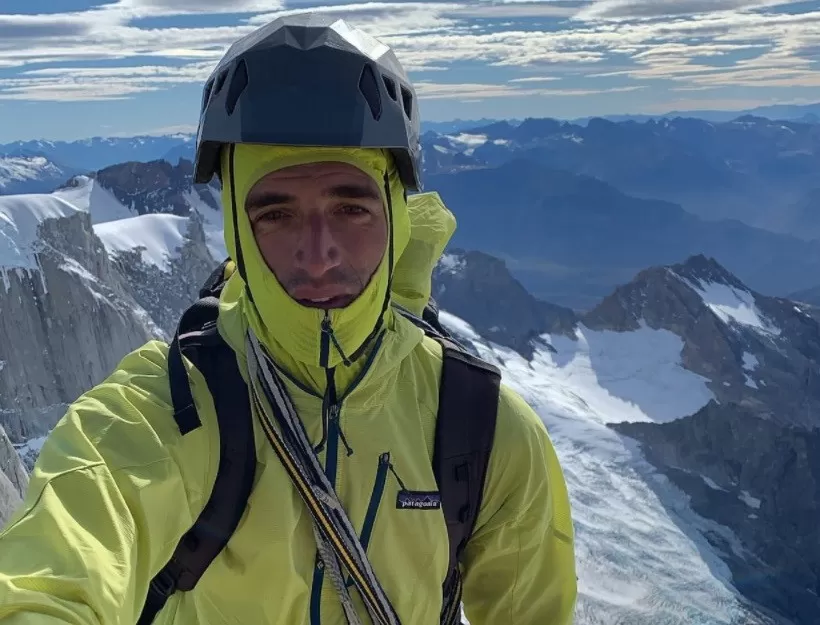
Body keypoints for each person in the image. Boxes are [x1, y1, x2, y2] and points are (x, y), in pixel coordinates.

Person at [0, 12, 577, 625]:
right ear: (235, 233)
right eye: (276, 214)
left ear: (397, 212)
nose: (318, 252)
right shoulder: (162, 413)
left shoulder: (481, 429)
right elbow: (54, 576)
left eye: (351, 206)